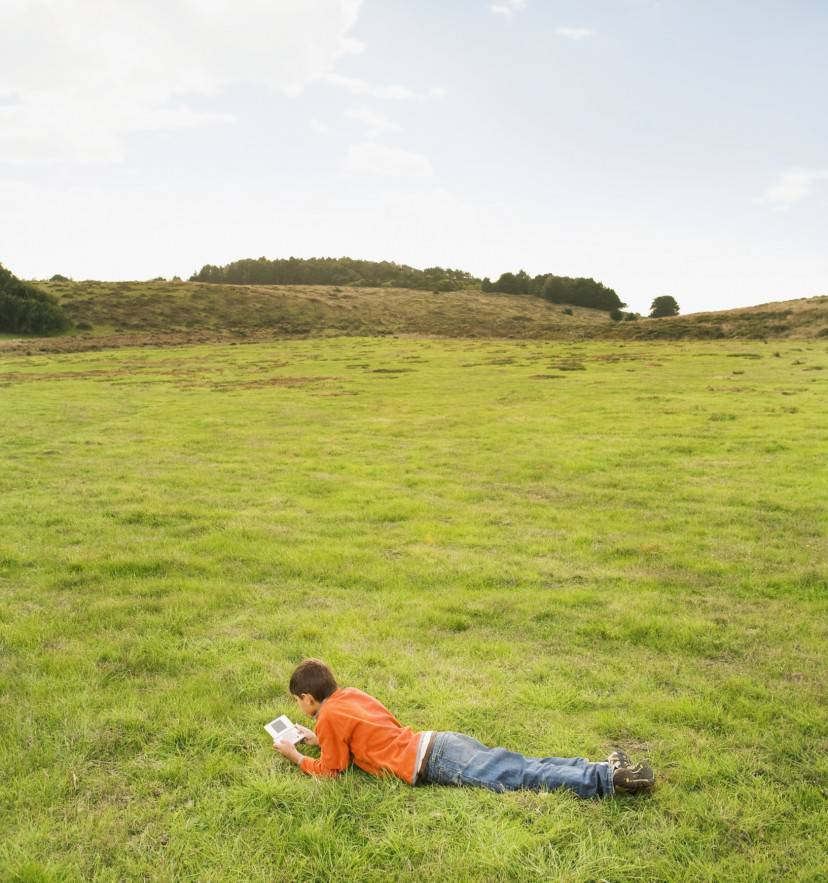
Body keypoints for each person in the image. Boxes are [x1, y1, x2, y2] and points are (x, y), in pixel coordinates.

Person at [272, 659, 654, 798]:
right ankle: (601, 767)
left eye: (298, 703)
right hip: (437, 740)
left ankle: (607, 780)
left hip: (434, 762)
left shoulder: (329, 717)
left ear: (307, 698)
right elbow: (373, 732)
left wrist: (295, 756)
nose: (300, 710)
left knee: (519, 776)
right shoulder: (349, 695)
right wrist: (316, 738)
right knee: (520, 763)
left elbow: (333, 770)